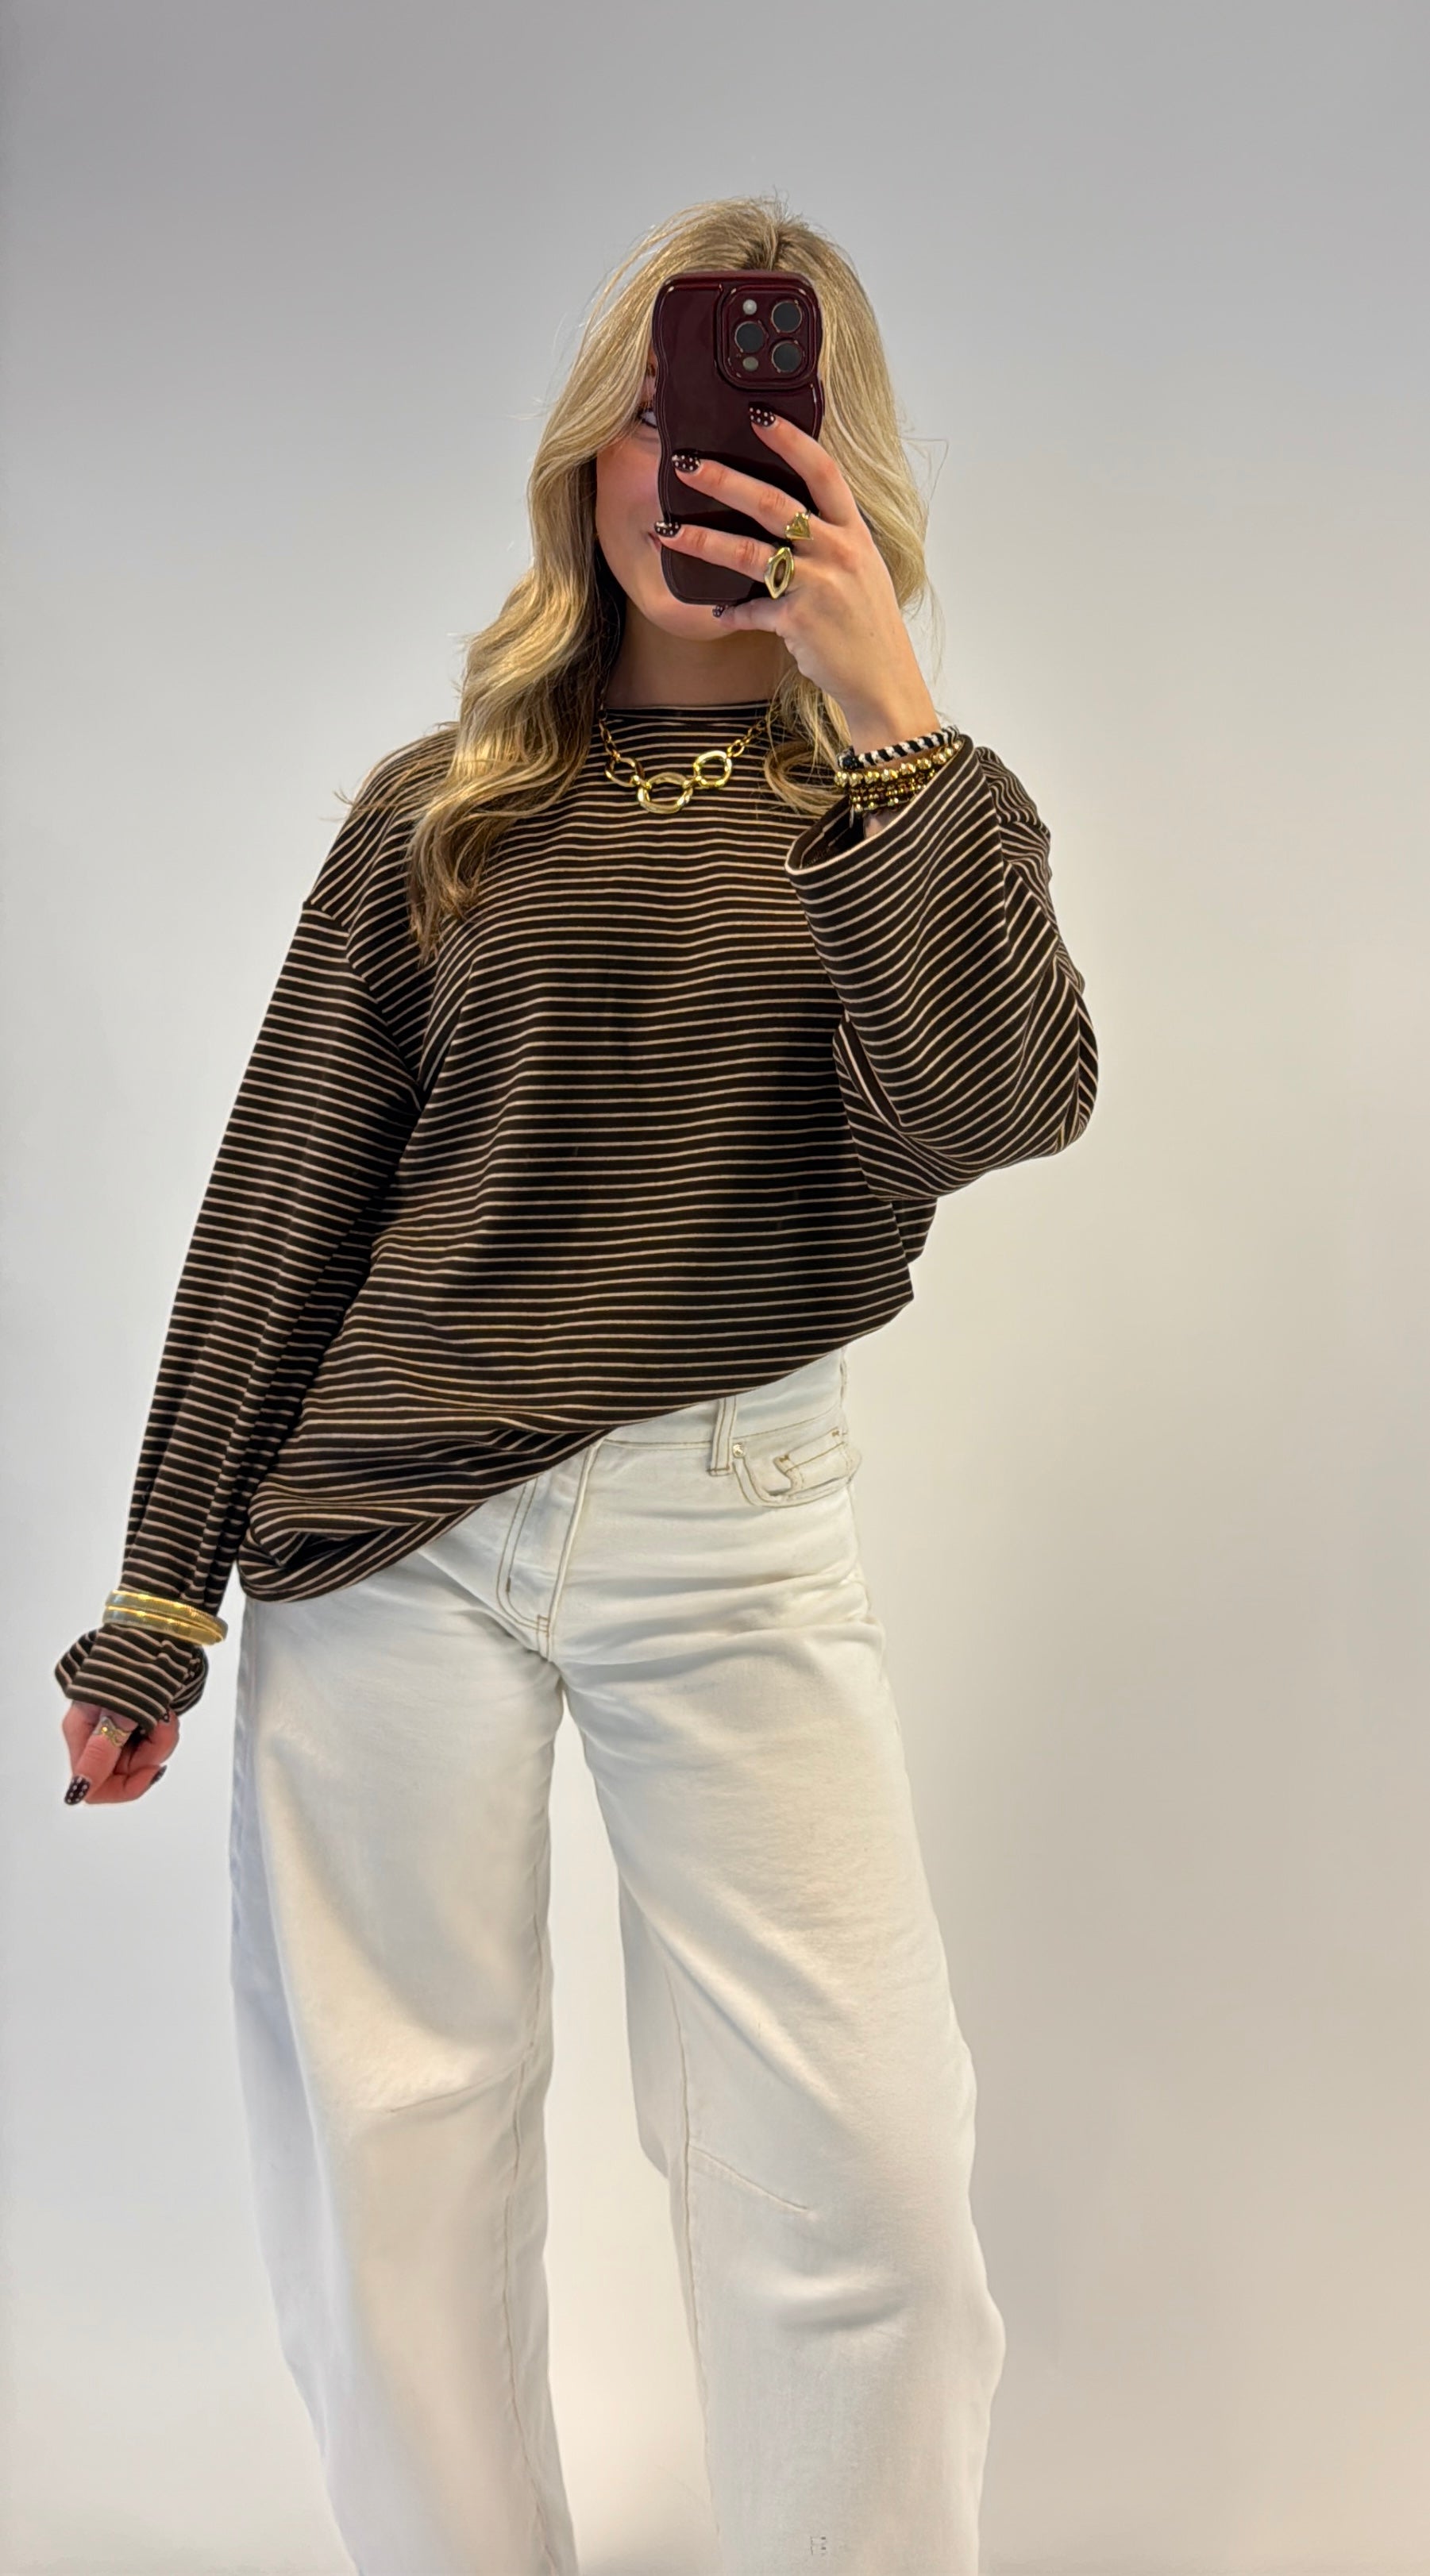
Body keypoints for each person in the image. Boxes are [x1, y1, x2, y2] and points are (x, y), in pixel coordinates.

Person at [53, 193, 1097, 2576]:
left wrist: (887, 711)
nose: (682, 459)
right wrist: (158, 1598)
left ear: (833, 460)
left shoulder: (911, 807)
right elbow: (286, 1195)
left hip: (738, 1531)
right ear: (582, 459)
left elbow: (998, 1110)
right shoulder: (444, 809)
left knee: (864, 2181)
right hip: (386, 1547)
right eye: (649, 407)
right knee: (391, 2171)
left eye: (744, 411)